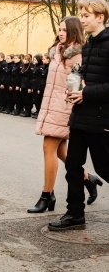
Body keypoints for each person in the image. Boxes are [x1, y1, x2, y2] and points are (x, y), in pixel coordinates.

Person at [29, 16, 101, 214]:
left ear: (73, 31)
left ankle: (47, 195)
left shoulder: (78, 56)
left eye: (64, 30)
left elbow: (78, 84)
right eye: (59, 29)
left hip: (64, 108)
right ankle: (88, 178)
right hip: (51, 106)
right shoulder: (57, 52)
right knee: (61, 151)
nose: (60, 33)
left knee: (48, 147)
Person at [49, 0, 109, 231]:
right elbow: (87, 77)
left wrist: (87, 92)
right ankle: (75, 215)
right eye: (81, 15)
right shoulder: (89, 44)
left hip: (100, 118)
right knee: (73, 166)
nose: (81, 20)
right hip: (80, 115)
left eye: (86, 16)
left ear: (100, 17)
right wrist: (75, 86)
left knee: (104, 167)